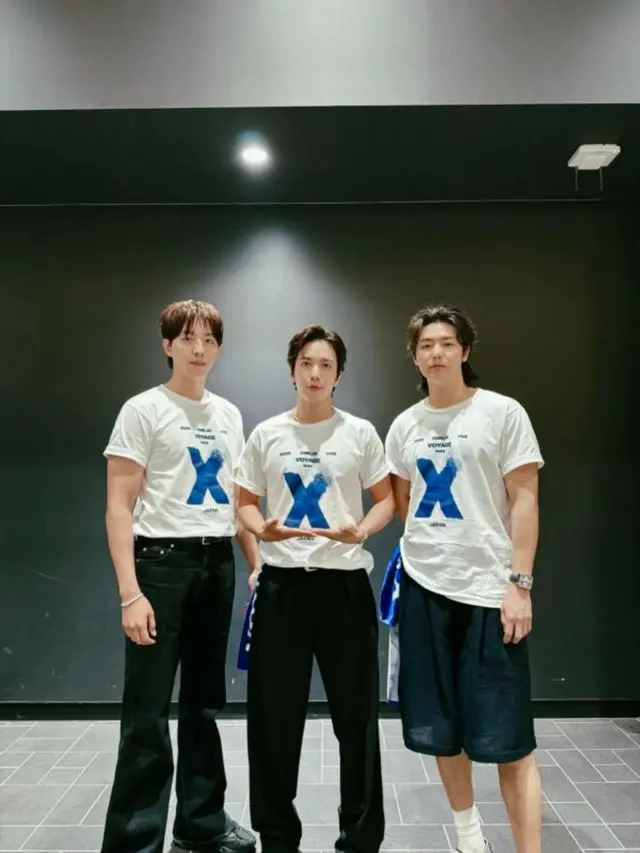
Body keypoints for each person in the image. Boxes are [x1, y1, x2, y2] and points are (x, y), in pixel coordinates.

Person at [101, 299, 259, 853]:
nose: (199, 349)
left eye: (209, 340)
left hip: (217, 565)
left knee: (204, 703)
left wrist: (256, 562)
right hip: (160, 565)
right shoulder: (143, 410)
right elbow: (118, 508)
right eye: (188, 338)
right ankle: (134, 840)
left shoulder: (229, 415)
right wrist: (130, 593)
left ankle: (201, 822)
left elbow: (237, 502)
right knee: (147, 710)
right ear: (167, 344)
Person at [385, 305, 544, 853]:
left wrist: (519, 583)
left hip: (490, 594)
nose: (436, 353)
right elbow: (403, 506)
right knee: (441, 728)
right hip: (425, 592)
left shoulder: (502, 413)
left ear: (465, 350)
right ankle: (469, 837)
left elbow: (525, 502)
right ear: (415, 356)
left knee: (510, 739)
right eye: (426, 345)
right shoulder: (405, 425)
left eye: (447, 342)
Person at [235, 324, 394, 853]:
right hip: (282, 589)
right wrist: (261, 531)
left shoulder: (359, 433)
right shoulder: (267, 434)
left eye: (326, 365)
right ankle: (278, 838)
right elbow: (244, 502)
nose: (315, 373)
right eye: (306, 363)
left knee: (357, 720)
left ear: (339, 374)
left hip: (344, 588)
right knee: (274, 722)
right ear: (292, 370)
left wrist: (362, 531)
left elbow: (386, 499)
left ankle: (360, 839)